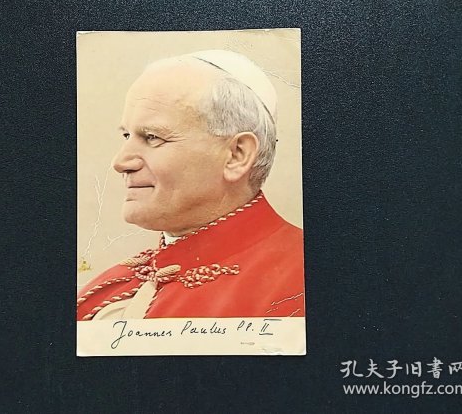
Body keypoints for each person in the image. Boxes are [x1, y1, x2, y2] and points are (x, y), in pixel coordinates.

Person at [77, 49, 305, 320]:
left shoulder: (298, 281)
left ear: (236, 155)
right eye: (127, 135)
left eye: (152, 137)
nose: (120, 162)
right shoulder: (106, 290)